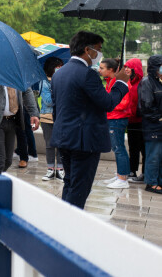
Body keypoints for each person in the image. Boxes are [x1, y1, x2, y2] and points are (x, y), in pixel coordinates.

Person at [51, 31, 129, 209]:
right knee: (80, 187)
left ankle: (64, 219)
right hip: (84, 141)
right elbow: (108, 103)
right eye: (98, 50)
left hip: (64, 136)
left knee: (70, 182)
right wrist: (121, 83)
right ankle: (70, 226)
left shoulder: (59, 74)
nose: (98, 54)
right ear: (87, 49)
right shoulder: (88, 74)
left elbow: (57, 109)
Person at [99, 58, 132, 189]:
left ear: (111, 70)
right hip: (113, 118)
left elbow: (124, 103)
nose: (99, 70)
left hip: (117, 119)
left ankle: (122, 178)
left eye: (102, 68)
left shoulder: (121, 83)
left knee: (119, 149)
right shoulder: (110, 81)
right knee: (117, 148)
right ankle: (120, 174)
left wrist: (107, 105)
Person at [138, 55, 162, 194]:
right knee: (153, 155)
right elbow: (146, 106)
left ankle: (159, 181)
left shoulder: (159, 81)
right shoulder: (147, 82)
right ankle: (151, 183)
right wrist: (159, 117)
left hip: (159, 125)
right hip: (153, 126)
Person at [39, 57, 64, 181]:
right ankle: (50, 169)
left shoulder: (64, 81)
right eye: (58, 66)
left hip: (61, 117)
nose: (60, 69)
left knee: (61, 144)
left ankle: (60, 169)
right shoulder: (44, 82)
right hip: (47, 118)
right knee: (49, 144)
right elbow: (48, 101)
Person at [124, 58, 145, 183]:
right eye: (125, 67)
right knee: (133, 148)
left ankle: (144, 173)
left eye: (129, 67)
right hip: (131, 120)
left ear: (135, 69)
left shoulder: (141, 84)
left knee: (143, 148)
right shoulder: (129, 82)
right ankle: (132, 171)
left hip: (140, 121)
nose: (126, 69)